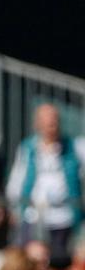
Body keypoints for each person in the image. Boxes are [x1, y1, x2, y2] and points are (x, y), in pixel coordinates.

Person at [6, 103, 85, 261]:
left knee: (61, 261)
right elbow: (17, 179)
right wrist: (14, 207)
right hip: (33, 215)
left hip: (64, 216)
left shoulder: (75, 147)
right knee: (32, 260)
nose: (51, 125)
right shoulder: (27, 148)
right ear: (37, 124)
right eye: (46, 121)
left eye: (54, 120)